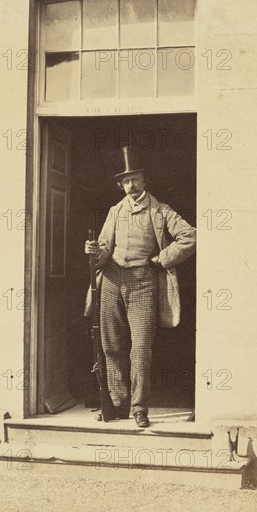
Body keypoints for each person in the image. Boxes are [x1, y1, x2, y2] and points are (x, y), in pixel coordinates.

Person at [84, 146, 196, 428]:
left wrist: (161, 259)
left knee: (142, 347)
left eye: (135, 179)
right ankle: (118, 404)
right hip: (111, 280)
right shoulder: (114, 211)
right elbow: (105, 248)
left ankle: (138, 407)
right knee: (111, 346)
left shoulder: (161, 211)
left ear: (145, 180)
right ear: (120, 185)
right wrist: (93, 252)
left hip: (144, 282)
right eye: (125, 181)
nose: (130, 186)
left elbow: (189, 236)